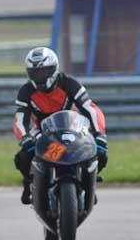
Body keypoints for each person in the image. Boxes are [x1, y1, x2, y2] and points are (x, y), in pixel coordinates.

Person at [13, 47, 108, 204]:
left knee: (100, 153)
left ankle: (88, 185)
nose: (40, 77)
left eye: (44, 72)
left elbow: (91, 109)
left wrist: (100, 135)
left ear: (54, 69)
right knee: (23, 157)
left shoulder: (69, 83)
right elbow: (20, 119)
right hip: (42, 132)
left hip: (72, 127)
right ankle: (29, 182)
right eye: (35, 73)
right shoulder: (26, 91)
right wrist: (25, 138)